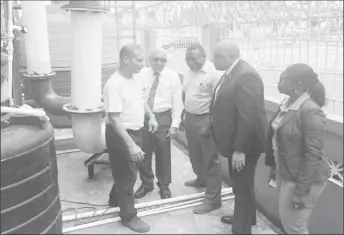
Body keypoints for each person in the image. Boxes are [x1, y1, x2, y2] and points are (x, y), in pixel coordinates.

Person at [208, 41, 267, 234]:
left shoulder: (245, 75)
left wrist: (240, 150)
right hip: (236, 142)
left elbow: (248, 117)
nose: (212, 60)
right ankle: (247, 218)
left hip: (244, 146)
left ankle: (240, 229)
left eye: (216, 56)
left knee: (241, 188)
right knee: (243, 185)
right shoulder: (233, 72)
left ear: (230, 56)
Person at [265, 63, 330, 234]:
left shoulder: (310, 110)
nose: (278, 82)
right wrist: (275, 167)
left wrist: (301, 192)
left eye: (283, 79)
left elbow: (313, 154)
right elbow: (279, 141)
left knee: (294, 227)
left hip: (303, 180)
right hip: (286, 173)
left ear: (299, 85)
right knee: (292, 224)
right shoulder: (288, 103)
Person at [103, 44, 158, 233]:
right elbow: (114, 119)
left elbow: (142, 100)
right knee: (127, 176)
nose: (142, 64)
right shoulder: (114, 84)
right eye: (139, 60)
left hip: (136, 129)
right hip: (121, 134)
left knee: (125, 170)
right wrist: (131, 145)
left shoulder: (135, 79)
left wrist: (151, 116)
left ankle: (114, 199)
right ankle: (128, 216)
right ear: (126, 59)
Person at [135, 48, 183, 199]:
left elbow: (177, 101)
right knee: (144, 151)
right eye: (156, 59)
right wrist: (148, 115)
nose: (159, 63)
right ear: (150, 60)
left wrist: (175, 124)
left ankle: (164, 185)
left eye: (163, 60)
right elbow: (139, 97)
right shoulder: (141, 75)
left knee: (163, 151)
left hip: (163, 116)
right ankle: (146, 183)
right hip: (144, 117)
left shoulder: (173, 76)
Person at [182, 44, 223, 214]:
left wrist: (209, 124)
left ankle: (213, 199)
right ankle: (201, 178)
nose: (190, 62)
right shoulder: (189, 72)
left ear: (204, 56)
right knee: (195, 153)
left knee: (211, 159)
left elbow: (219, 103)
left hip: (206, 120)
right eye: (187, 59)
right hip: (190, 118)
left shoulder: (214, 74)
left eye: (194, 59)